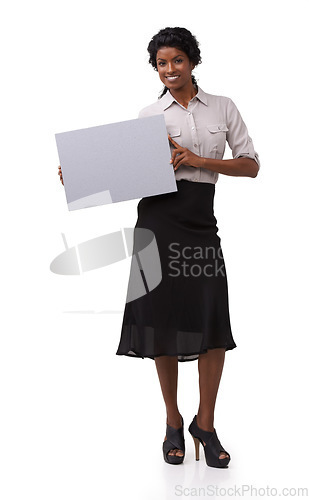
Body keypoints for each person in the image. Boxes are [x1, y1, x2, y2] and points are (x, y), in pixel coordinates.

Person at [58, 27, 260, 468]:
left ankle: (205, 423)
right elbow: (129, 175)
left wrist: (197, 159)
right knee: (161, 321)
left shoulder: (223, 107)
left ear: (193, 61)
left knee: (212, 321)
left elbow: (251, 165)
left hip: (201, 223)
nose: (169, 70)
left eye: (177, 61)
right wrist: (83, 175)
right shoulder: (149, 113)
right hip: (157, 223)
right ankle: (173, 421)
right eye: (161, 64)